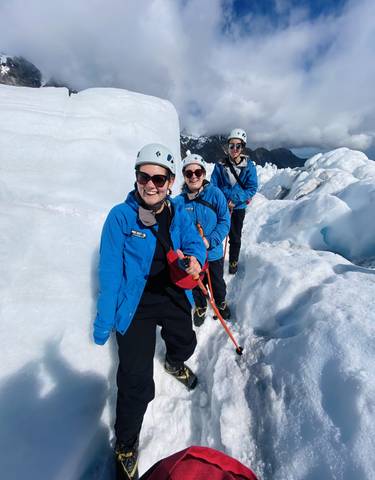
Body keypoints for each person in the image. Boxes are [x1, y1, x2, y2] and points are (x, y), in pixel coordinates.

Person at [93, 143, 206, 480]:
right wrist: (103, 322)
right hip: (135, 305)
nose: (151, 184)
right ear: (136, 178)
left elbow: (194, 243)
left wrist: (196, 258)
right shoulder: (120, 217)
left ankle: (174, 360)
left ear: (170, 183)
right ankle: (126, 444)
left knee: (186, 342)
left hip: (171, 293)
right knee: (134, 380)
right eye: (144, 176)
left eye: (159, 178)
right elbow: (110, 272)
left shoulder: (177, 213)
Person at [175, 153, 231, 326]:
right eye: (189, 173)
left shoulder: (215, 194)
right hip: (192, 256)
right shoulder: (179, 202)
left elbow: (224, 221)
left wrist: (210, 240)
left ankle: (220, 301)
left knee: (217, 281)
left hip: (212, 252)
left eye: (197, 172)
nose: (193, 177)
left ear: (204, 174)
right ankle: (200, 305)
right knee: (196, 283)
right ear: (184, 176)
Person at [210, 128, 258, 274]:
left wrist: (235, 200)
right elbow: (213, 185)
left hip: (238, 208)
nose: (235, 149)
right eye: (232, 146)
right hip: (222, 207)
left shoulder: (249, 167)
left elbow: (252, 187)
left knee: (235, 237)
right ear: (228, 147)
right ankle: (214, 262)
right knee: (216, 233)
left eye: (238, 146)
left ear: (243, 147)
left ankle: (233, 261)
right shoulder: (220, 166)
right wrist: (224, 201)